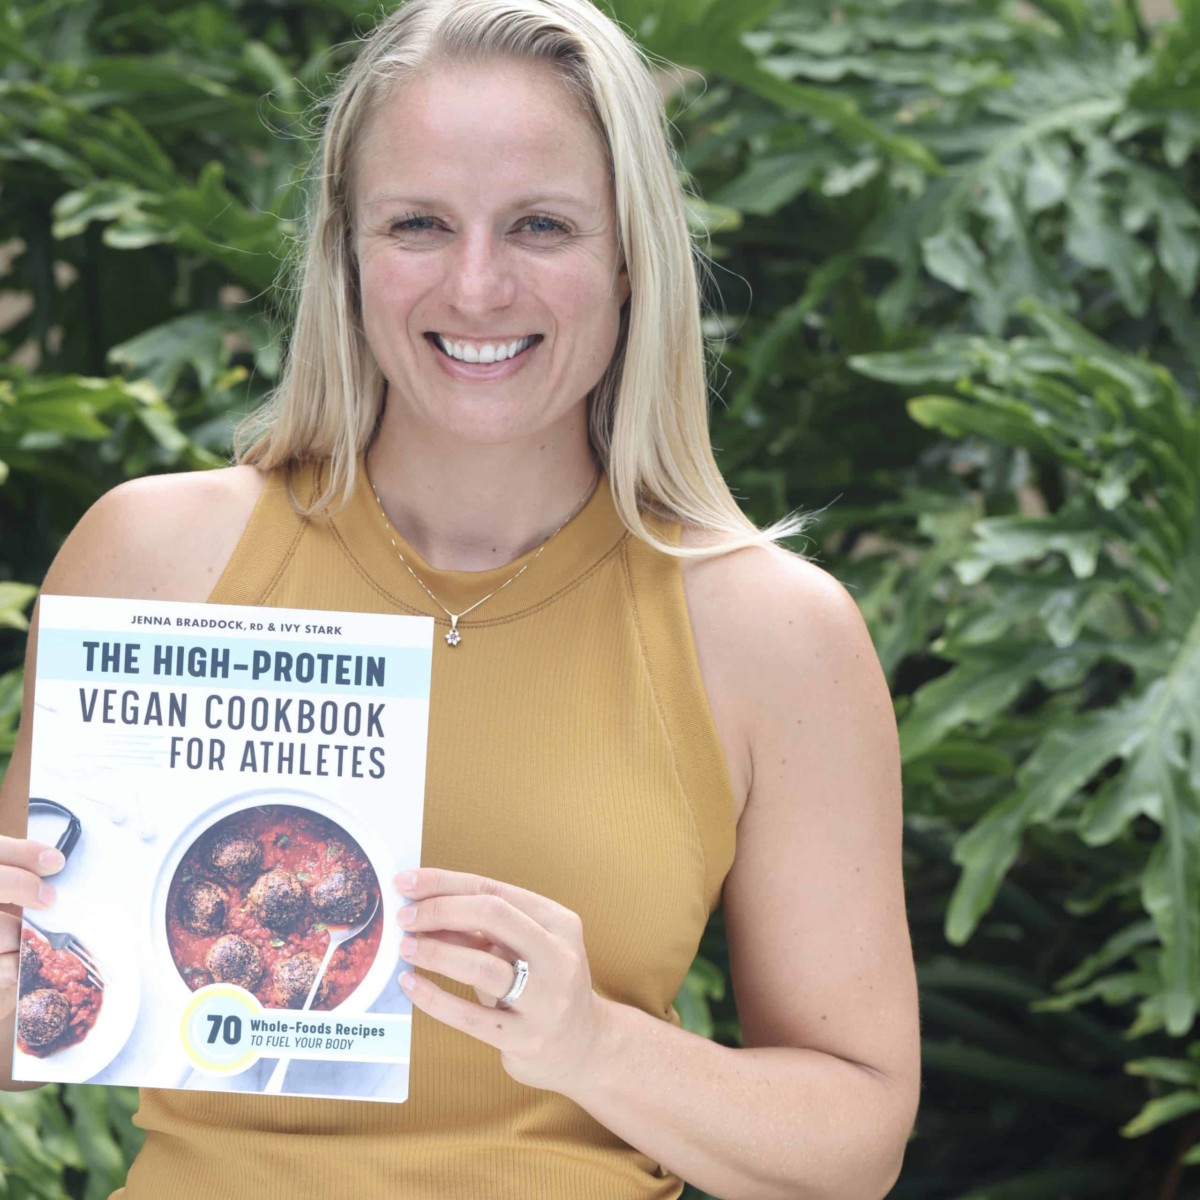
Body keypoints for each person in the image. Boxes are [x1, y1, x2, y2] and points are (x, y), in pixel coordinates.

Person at [0, 0, 921, 1196]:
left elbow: (853, 1139)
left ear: (631, 253)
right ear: (346, 250)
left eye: (541, 225)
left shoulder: (773, 633)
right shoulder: (152, 554)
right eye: (419, 224)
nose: (477, 286)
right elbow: (35, 1015)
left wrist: (589, 1042)